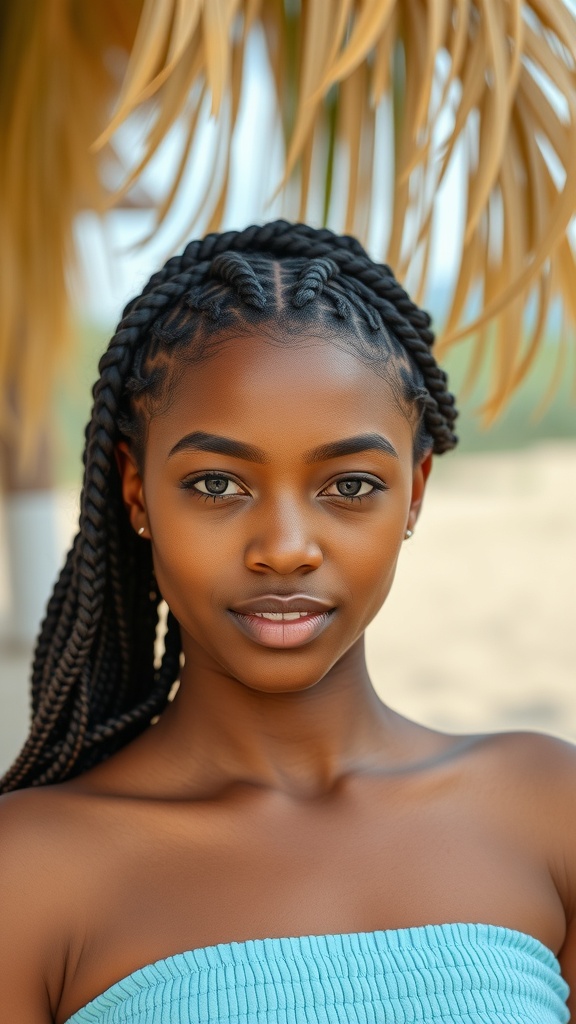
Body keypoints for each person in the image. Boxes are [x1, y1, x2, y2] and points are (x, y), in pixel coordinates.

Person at [0, 221, 574, 1024]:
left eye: (348, 487)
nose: (284, 549)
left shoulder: (548, 809)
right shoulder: (28, 873)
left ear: (415, 492)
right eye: (215, 484)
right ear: (135, 491)